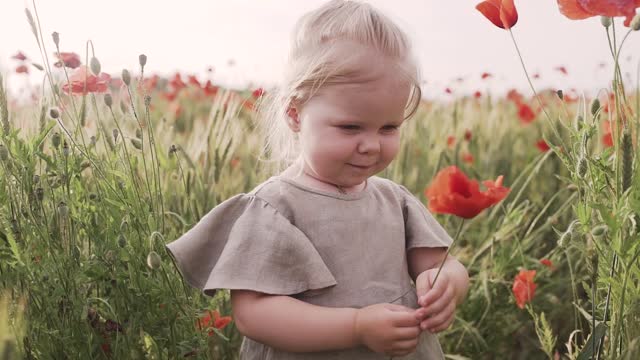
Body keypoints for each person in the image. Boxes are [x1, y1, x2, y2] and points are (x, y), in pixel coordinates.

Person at [165, 0, 469, 358]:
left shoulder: (395, 201)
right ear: (295, 114)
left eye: (389, 127)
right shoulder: (275, 208)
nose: (371, 145)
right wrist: (356, 328)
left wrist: (447, 284)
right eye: (350, 127)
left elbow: (441, 264)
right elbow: (254, 314)